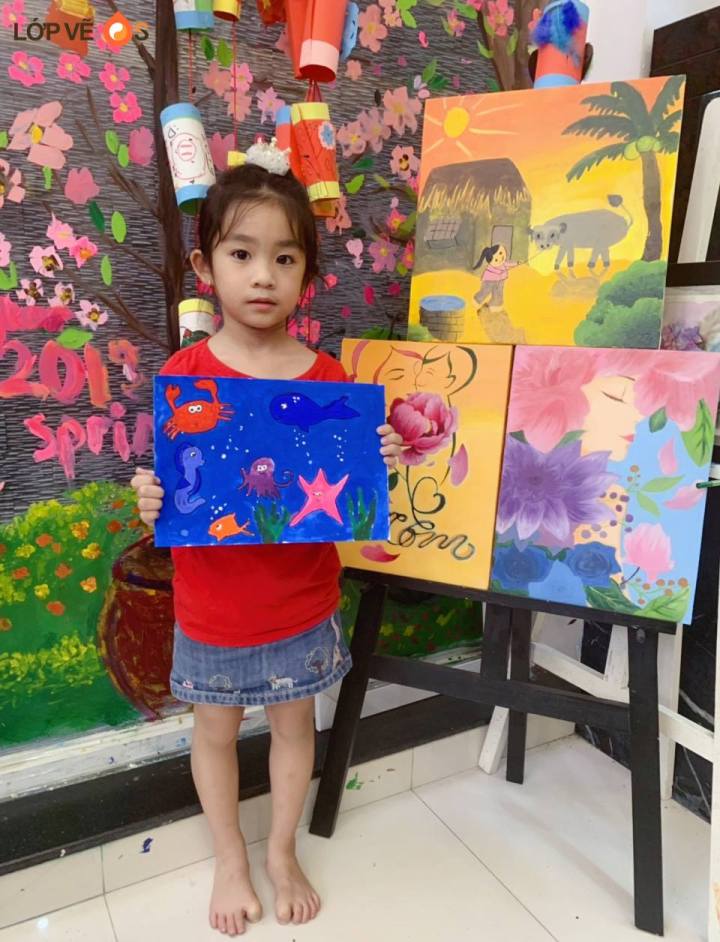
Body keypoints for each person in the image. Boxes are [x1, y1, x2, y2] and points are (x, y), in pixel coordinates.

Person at [131, 140, 402, 938]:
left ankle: (281, 851)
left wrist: (377, 457)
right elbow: (176, 494)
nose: (263, 276)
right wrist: (151, 499)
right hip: (213, 609)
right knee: (214, 731)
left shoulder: (329, 379)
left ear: (305, 275)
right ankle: (229, 858)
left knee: (293, 725)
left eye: (284, 258)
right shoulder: (187, 376)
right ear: (205, 266)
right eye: (242, 254)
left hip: (301, 602)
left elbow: (346, 485)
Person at [472, 243, 518, 313]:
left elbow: (508, 264)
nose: (500, 258)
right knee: (485, 291)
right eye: (496, 260)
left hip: (500, 280)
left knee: (498, 293)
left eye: (500, 253)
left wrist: (516, 263)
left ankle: (495, 305)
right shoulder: (491, 267)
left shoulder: (503, 263)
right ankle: (477, 300)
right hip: (489, 280)